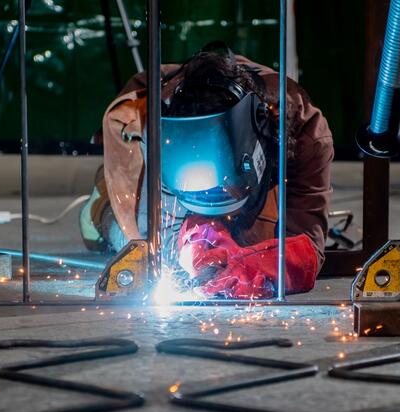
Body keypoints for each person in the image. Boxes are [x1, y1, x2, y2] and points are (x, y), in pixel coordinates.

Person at [80, 42, 333, 299]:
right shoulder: (156, 134)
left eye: (222, 191)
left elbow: (308, 246)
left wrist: (256, 265)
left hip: (266, 148)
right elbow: (168, 238)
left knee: (256, 240)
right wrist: (196, 250)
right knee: (146, 249)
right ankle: (98, 206)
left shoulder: (307, 134)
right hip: (150, 150)